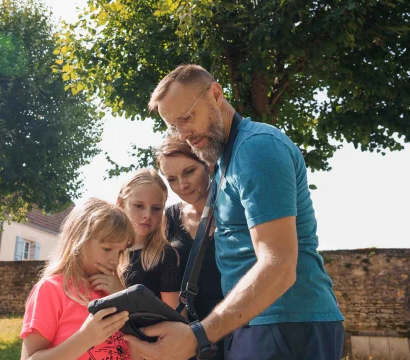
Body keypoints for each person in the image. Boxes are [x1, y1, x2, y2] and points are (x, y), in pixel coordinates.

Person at [123, 64, 344, 360]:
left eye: (187, 117)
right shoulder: (227, 162)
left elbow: (279, 265)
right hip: (255, 323)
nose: (184, 133)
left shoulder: (257, 148)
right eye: (174, 126)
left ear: (216, 94)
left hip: (284, 322)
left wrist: (198, 334)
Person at [20, 198, 135, 360]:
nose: (115, 261)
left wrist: (122, 296)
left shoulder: (113, 289)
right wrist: (85, 338)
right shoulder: (51, 290)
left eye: (120, 252)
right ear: (79, 241)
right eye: (107, 249)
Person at [156, 131, 224, 360]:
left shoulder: (237, 210)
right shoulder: (166, 220)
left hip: (241, 327)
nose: (182, 185)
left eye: (189, 171)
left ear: (208, 164)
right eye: (171, 179)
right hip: (190, 339)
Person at [116, 168, 181, 309]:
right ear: (120, 203)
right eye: (139, 206)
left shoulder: (164, 255)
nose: (147, 215)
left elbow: (175, 316)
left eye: (156, 208)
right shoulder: (106, 250)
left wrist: (114, 289)